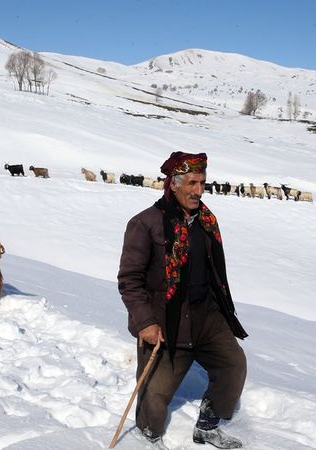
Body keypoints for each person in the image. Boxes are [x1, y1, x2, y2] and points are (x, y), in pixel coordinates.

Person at [117, 151, 248, 449]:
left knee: (233, 365)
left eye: (202, 182)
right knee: (156, 391)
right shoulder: (145, 223)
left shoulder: (206, 221)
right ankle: (148, 436)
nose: (198, 190)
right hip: (165, 320)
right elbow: (129, 279)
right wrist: (146, 323)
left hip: (206, 316)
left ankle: (207, 426)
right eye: (191, 183)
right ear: (173, 183)